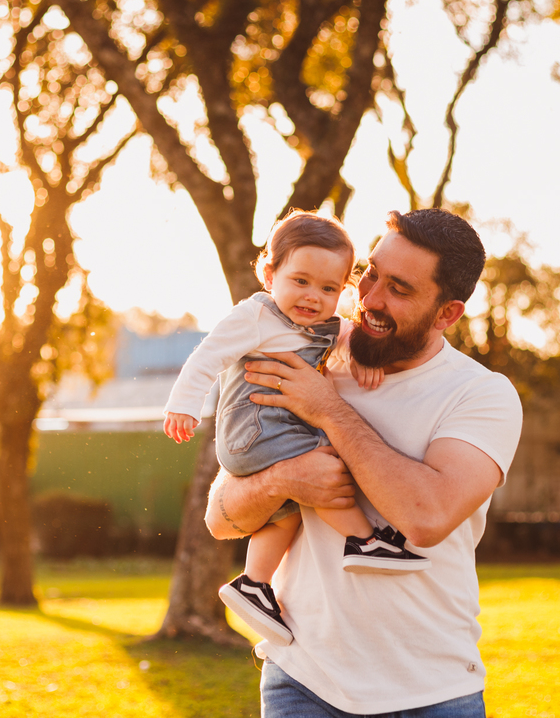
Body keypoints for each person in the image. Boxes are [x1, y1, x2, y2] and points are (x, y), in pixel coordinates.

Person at [205, 208, 523, 717]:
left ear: (447, 313)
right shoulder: (304, 359)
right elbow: (221, 519)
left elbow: (426, 516)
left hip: (432, 693)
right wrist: (286, 477)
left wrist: (327, 409)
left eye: (399, 289)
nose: (369, 299)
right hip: (303, 684)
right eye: (370, 273)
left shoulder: (481, 396)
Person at [164, 210, 429, 647]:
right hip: (255, 429)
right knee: (327, 459)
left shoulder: (324, 325)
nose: (312, 297)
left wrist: (362, 358)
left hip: (269, 434)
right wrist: (183, 406)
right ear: (270, 274)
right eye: (300, 281)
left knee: (289, 506)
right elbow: (205, 357)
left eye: (329, 288)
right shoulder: (254, 317)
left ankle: (254, 583)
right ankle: (364, 540)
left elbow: (346, 336)